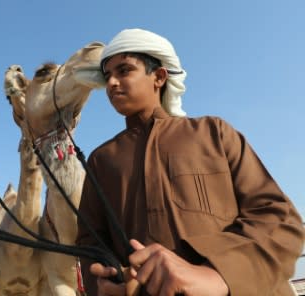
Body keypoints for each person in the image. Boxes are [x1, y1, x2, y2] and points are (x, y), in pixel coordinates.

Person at [76, 28, 305, 295]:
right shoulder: (101, 160)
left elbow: (279, 220)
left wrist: (216, 275)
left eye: (124, 70)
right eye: (107, 76)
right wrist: (106, 284)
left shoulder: (213, 133)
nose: (112, 83)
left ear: (159, 77)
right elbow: (90, 243)